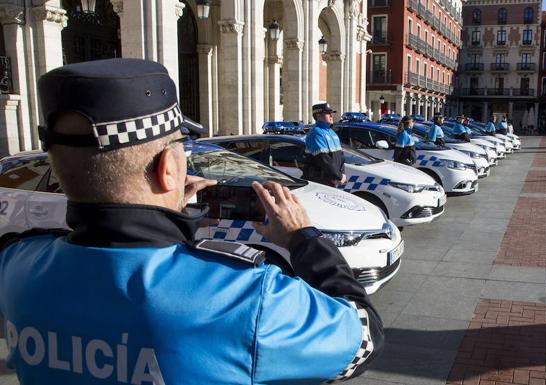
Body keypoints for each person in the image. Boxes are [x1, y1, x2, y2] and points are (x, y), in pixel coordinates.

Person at [0, 59, 383, 384]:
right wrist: (303, 237)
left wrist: (164, 220)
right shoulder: (250, 295)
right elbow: (363, 336)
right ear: (169, 169)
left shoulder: (16, 265)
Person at [303, 102, 347, 187]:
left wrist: (342, 174)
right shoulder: (316, 133)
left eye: (331, 113)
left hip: (331, 180)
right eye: (328, 113)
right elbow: (323, 159)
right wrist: (338, 176)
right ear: (318, 115)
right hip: (319, 181)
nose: (331, 115)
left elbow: (341, 156)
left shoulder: (332, 132)